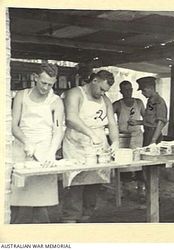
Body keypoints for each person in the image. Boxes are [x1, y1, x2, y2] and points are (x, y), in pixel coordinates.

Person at [61, 70, 119, 223]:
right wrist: (90, 133)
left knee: (93, 182)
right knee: (75, 183)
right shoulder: (75, 93)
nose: (102, 93)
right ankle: (70, 218)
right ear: (94, 81)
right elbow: (71, 118)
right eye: (101, 89)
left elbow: (112, 123)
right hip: (76, 146)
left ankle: (87, 216)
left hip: (97, 146)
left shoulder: (105, 100)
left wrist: (115, 142)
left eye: (105, 91)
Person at [11, 62, 64, 223]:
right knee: (19, 200)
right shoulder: (22, 95)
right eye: (43, 83)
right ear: (35, 78)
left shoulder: (55, 101)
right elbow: (14, 125)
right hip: (22, 149)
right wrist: (27, 142)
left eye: (50, 84)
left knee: (41, 201)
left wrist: (50, 153)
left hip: (44, 152)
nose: (46, 88)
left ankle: (41, 233)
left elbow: (57, 130)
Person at [113, 80, 145, 193]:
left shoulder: (139, 102)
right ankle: (124, 189)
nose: (128, 92)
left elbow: (148, 120)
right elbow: (107, 117)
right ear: (121, 91)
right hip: (123, 138)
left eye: (130, 89)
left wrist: (138, 122)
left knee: (138, 164)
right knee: (124, 165)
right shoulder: (117, 104)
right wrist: (113, 127)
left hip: (137, 137)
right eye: (125, 90)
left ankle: (141, 189)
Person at [129, 76, 168, 147]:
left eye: (144, 90)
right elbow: (151, 120)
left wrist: (153, 140)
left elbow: (161, 123)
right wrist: (138, 122)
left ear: (151, 88)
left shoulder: (158, 101)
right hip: (148, 133)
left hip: (154, 134)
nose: (142, 93)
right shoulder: (151, 101)